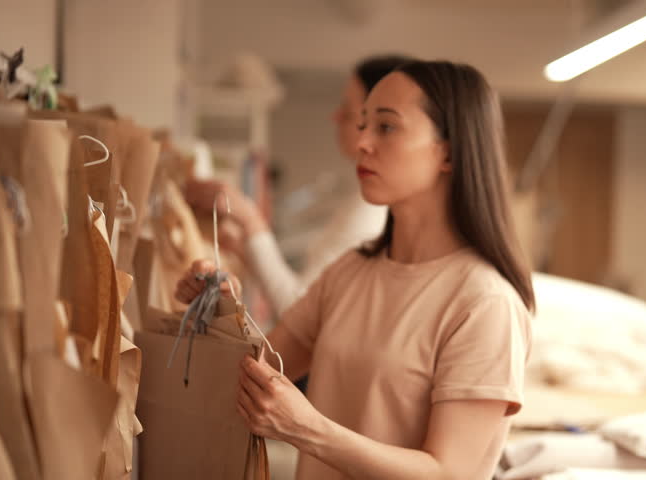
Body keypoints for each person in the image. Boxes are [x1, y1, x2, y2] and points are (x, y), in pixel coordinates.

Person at [176, 60, 535, 480]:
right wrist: (220, 310)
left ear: (450, 152)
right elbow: (255, 374)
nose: (362, 142)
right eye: (363, 124)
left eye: (386, 127)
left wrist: (308, 430)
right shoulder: (351, 271)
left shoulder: (485, 303)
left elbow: (449, 473)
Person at [184, 55, 414, 316]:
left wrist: (250, 220)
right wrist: (244, 246)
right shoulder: (365, 202)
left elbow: (298, 308)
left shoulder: (372, 210)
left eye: (348, 110)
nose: (336, 117)